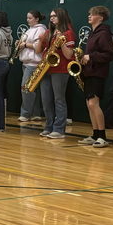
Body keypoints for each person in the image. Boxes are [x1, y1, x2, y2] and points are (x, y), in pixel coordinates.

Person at [76, 6, 113, 147]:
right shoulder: (93, 33)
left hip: (98, 73)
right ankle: (95, 134)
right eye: (89, 14)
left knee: (93, 103)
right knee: (89, 104)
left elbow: (110, 54)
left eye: (93, 14)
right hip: (89, 72)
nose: (89, 16)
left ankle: (102, 137)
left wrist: (90, 56)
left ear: (100, 17)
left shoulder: (103, 33)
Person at [36, 8, 76, 139]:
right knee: (46, 100)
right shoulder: (49, 32)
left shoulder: (68, 32)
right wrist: (41, 39)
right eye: (51, 16)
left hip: (60, 69)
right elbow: (38, 51)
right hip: (46, 68)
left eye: (54, 16)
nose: (51, 18)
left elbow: (69, 54)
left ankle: (59, 129)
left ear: (61, 17)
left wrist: (62, 41)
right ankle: (49, 126)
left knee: (59, 99)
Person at [17, 10, 47, 122]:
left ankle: (25, 113)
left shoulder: (41, 29)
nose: (28, 20)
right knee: (33, 89)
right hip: (26, 61)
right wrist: (20, 44)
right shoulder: (29, 30)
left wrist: (25, 45)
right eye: (27, 18)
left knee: (26, 87)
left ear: (37, 19)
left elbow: (38, 46)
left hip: (34, 62)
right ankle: (35, 113)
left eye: (30, 18)